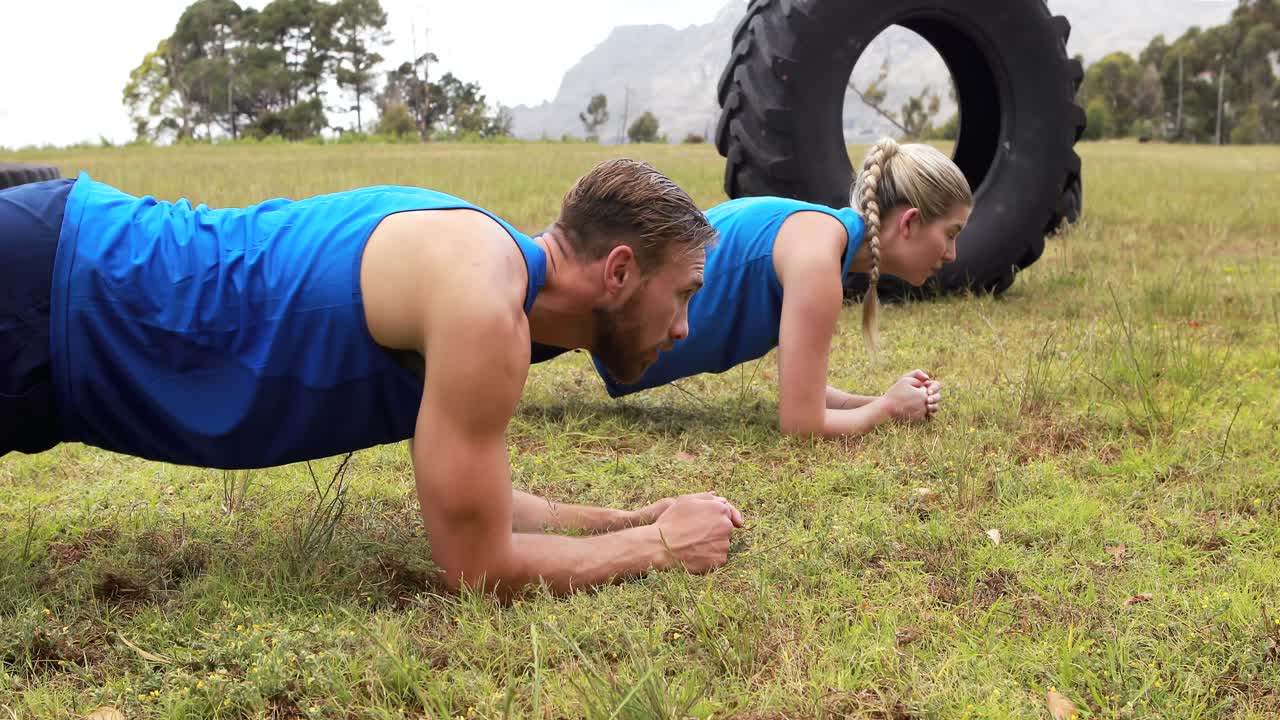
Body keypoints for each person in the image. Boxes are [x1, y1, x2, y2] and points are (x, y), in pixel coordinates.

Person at [0, 159, 744, 598]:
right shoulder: (484, 305)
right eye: (683, 294)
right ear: (618, 271)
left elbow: (478, 502)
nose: (682, 329)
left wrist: (634, 517)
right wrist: (662, 551)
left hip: (62, 289)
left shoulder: (482, 260)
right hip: (53, 288)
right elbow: (477, 566)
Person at [534, 138, 973, 438]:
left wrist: (884, 399)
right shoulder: (818, 258)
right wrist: (888, 411)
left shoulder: (823, 241)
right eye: (950, 233)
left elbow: (805, 391)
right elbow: (801, 424)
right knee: (497, 320)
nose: (951, 254)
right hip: (598, 306)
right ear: (911, 222)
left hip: (598, 308)